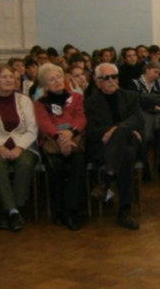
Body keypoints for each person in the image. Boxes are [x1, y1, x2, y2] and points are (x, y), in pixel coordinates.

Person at [0, 64, 40, 232]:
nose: (9, 79)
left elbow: (32, 129)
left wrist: (19, 147)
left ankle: (10, 211)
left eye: (11, 76)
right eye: (4, 77)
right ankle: (14, 211)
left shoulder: (24, 100)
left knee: (25, 164)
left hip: (23, 145)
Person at [85, 63, 144, 230]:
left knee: (125, 139)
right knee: (127, 153)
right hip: (103, 148)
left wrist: (116, 130)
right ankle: (125, 210)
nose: (111, 81)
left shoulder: (131, 96)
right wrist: (118, 130)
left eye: (114, 77)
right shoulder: (90, 103)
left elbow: (139, 120)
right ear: (97, 81)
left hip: (127, 141)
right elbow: (92, 132)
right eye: (106, 78)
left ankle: (105, 181)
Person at [33, 64, 87, 230]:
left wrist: (70, 134)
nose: (56, 81)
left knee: (78, 163)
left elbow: (81, 118)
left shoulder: (76, 97)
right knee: (56, 166)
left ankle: (72, 211)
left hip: (75, 139)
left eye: (58, 77)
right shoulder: (40, 103)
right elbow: (44, 124)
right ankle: (59, 210)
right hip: (52, 141)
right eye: (51, 79)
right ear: (44, 85)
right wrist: (60, 138)